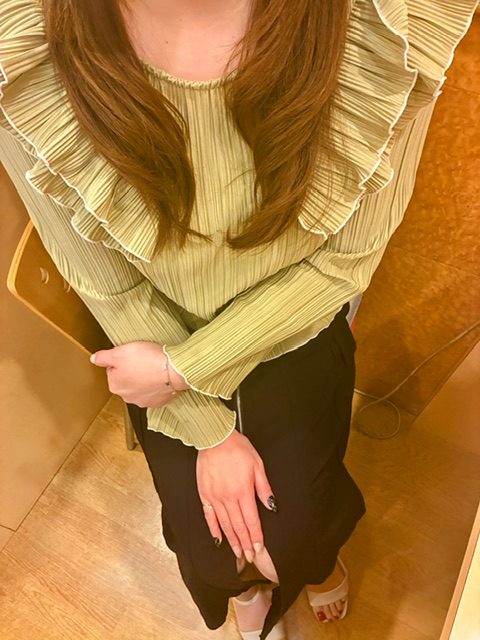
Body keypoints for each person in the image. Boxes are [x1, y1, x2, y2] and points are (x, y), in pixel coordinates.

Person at [0, 1, 477, 638]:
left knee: (298, 527)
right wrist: (209, 431)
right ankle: (250, 586)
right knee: (210, 547)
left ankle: (311, 565)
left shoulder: (386, 24)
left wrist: (182, 370)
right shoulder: (22, 43)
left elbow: (345, 262)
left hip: (292, 331)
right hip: (155, 331)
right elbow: (103, 280)